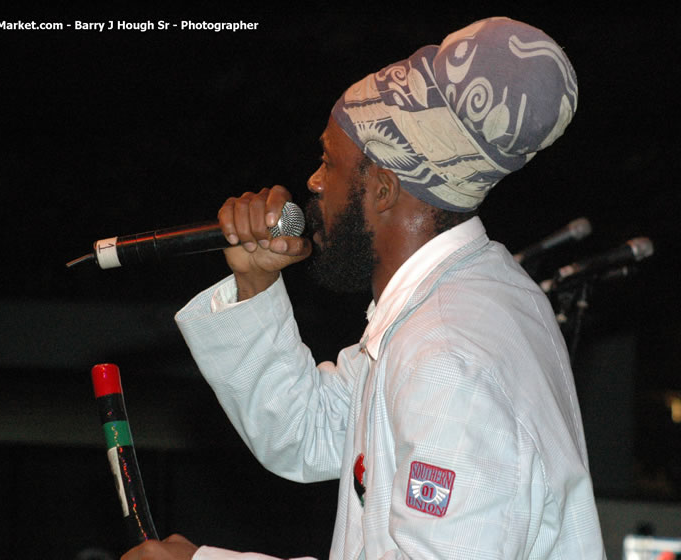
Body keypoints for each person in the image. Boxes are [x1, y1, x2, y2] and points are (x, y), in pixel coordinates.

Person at [122, 16, 605, 560]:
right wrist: (255, 281)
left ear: (381, 189)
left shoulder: (447, 353)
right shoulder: (471, 297)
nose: (313, 182)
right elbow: (308, 431)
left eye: (329, 162)